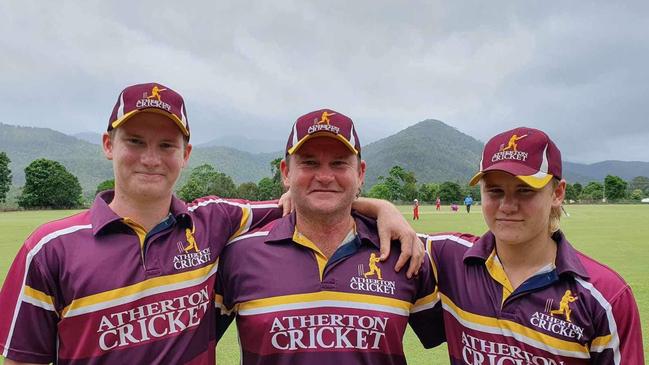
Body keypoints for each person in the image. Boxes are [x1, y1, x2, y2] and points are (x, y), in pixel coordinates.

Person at [0, 85, 422, 364]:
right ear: (108, 145)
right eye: (135, 141)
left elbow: (312, 199)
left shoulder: (212, 221)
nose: (151, 157)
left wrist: (381, 206)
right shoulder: (50, 247)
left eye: (167, 144)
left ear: (186, 154)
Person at [215, 109, 444, 364]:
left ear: (360, 174)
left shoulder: (402, 252)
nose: (324, 177)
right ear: (285, 172)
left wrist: (383, 207)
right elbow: (188, 344)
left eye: (339, 163)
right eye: (309, 163)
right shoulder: (239, 254)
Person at [423, 127, 644, 364]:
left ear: (557, 194)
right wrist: (381, 208)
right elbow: (383, 234)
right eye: (495, 191)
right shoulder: (447, 256)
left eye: (525, 191)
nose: (507, 205)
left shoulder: (606, 296)